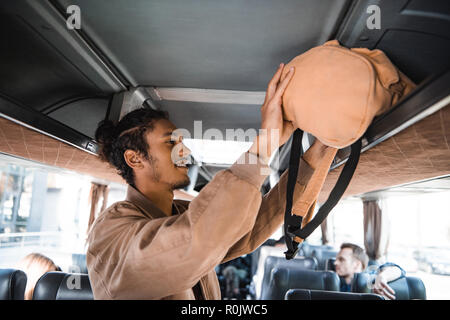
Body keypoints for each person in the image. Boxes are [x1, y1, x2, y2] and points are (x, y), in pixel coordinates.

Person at [86, 64, 315, 299]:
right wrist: (265, 142)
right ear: (135, 158)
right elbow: (197, 238)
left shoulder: (179, 214)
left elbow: (252, 226)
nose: (184, 151)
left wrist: (322, 149)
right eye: (171, 143)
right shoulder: (110, 231)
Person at [335, 243, 405, 300]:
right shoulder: (337, 283)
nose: (335, 263)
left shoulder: (369, 279)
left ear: (356, 264)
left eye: (341, 260)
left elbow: (397, 269)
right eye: (336, 259)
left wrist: (382, 276)